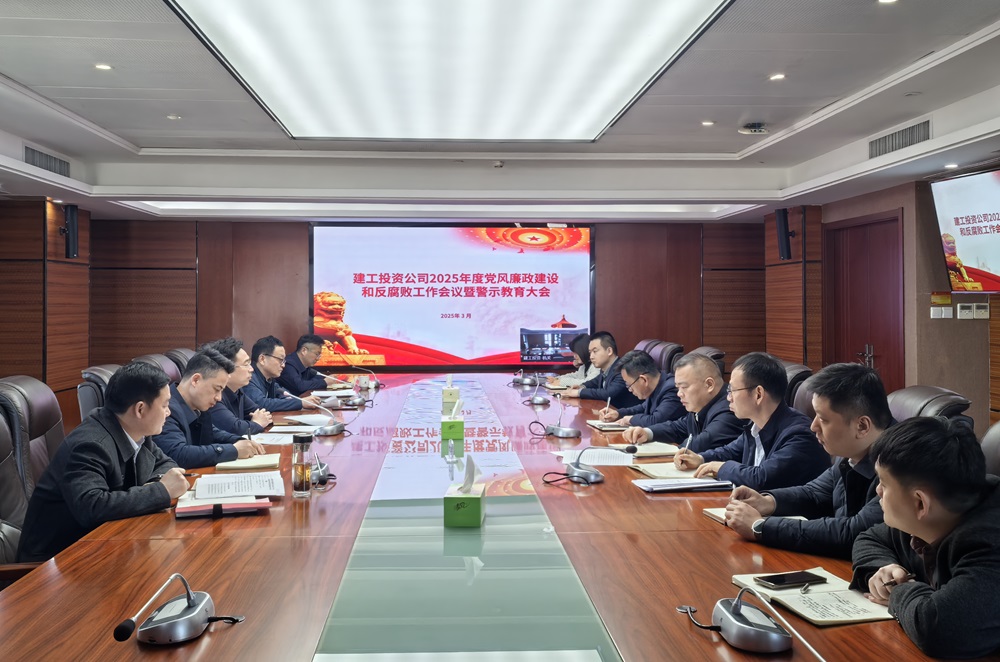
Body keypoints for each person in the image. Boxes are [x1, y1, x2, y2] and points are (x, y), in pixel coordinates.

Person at [851, 417, 1000, 658]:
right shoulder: (935, 515)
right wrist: (885, 568)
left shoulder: (989, 541)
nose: (877, 491)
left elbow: (938, 629)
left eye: (884, 484)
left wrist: (899, 591)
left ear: (920, 503)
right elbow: (870, 538)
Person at [17, 362, 189, 562]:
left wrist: (155, 486)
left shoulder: (137, 433)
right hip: (54, 562)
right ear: (140, 409)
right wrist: (161, 491)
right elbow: (92, 507)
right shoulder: (89, 445)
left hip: (102, 546)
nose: (169, 412)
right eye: (165, 405)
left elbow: (166, 465)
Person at [725, 363, 892, 558]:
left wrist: (761, 526)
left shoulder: (898, 463)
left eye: (823, 419)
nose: (813, 427)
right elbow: (814, 493)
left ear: (862, 426)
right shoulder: (852, 451)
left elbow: (853, 533)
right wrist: (766, 502)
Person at [673, 352, 828, 490]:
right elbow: (730, 451)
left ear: (758, 394)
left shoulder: (799, 434)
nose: (728, 398)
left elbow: (761, 478)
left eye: (732, 390)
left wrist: (721, 468)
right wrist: (700, 459)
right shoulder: (756, 426)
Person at [153, 348, 264, 469]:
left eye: (221, 391)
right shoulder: (166, 409)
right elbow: (178, 454)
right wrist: (233, 450)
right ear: (196, 380)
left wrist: (240, 441)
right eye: (217, 389)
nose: (219, 398)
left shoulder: (197, 406)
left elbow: (213, 433)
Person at [623, 352, 742, 453]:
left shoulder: (730, 409)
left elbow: (701, 444)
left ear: (709, 385)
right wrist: (647, 433)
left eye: (684, 387)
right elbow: (678, 427)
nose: (679, 393)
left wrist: (663, 451)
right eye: (678, 388)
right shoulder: (702, 405)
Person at [203, 337, 272, 437]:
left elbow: (261, 412)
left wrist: (255, 422)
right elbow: (235, 428)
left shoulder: (237, 390)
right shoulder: (214, 395)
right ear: (227, 368)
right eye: (246, 364)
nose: (251, 369)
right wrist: (256, 424)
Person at [598, 350, 683, 427]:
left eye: (629, 385)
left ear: (643, 380)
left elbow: (656, 421)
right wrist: (618, 413)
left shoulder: (672, 390)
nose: (630, 390)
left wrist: (630, 419)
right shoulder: (656, 386)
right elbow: (642, 408)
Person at [563, 331, 641, 409]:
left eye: (595, 351)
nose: (591, 357)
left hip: (627, 414)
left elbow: (608, 393)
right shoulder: (606, 368)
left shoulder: (622, 369)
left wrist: (579, 392)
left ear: (609, 351)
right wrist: (581, 386)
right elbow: (595, 382)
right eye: (590, 352)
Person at [245, 335, 319, 412]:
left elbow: (282, 393)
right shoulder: (248, 378)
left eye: (284, 361)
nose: (283, 365)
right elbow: (262, 404)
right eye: (280, 360)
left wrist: (291, 400)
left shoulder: (269, 378)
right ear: (262, 359)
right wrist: (300, 403)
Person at [278, 334, 347, 395]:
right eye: (317, 354)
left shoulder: (305, 366)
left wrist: (328, 379)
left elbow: (315, 378)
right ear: (304, 351)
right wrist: (324, 382)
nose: (318, 358)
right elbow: (300, 386)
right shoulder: (288, 365)